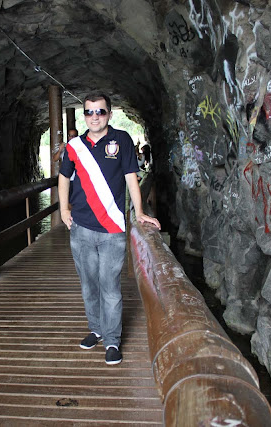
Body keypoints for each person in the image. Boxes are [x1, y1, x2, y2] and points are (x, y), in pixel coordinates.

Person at [58, 93, 160, 365]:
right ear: (84, 116)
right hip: (80, 228)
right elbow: (63, 177)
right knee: (88, 285)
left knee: (110, 287)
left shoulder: (122, 140)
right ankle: (97, 329)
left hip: (112, 228)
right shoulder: (74, 147)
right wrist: (64, 209)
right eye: (89, 113)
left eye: (100, 112)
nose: (95, 117)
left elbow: (131, 178)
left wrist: (139, 213)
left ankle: (112, 340)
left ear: (109, 114)